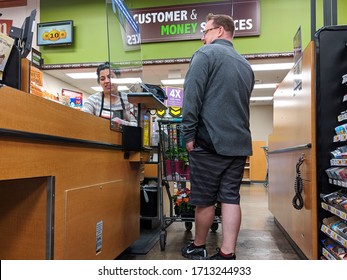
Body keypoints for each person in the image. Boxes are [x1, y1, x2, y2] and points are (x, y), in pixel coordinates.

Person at [181, 13, 255, 260]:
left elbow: (192, 99)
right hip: (239, 142)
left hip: (210, 141)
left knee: (205, 199)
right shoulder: (246, 64)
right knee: (231, 198)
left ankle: (199, 247)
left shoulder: (205, 55)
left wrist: (188, 134)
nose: (203, 37)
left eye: (206, 31)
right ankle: (226, 253)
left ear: (221, 30)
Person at [82, 62, 137, 127]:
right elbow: (83, 118)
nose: (106, 81)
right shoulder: (93, 100)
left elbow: (136, 125)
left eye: (110, 77)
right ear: (99, 82)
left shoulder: (128, 100)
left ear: (118, 78)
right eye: (102, 79)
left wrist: (122, 123)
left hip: (124, 136)